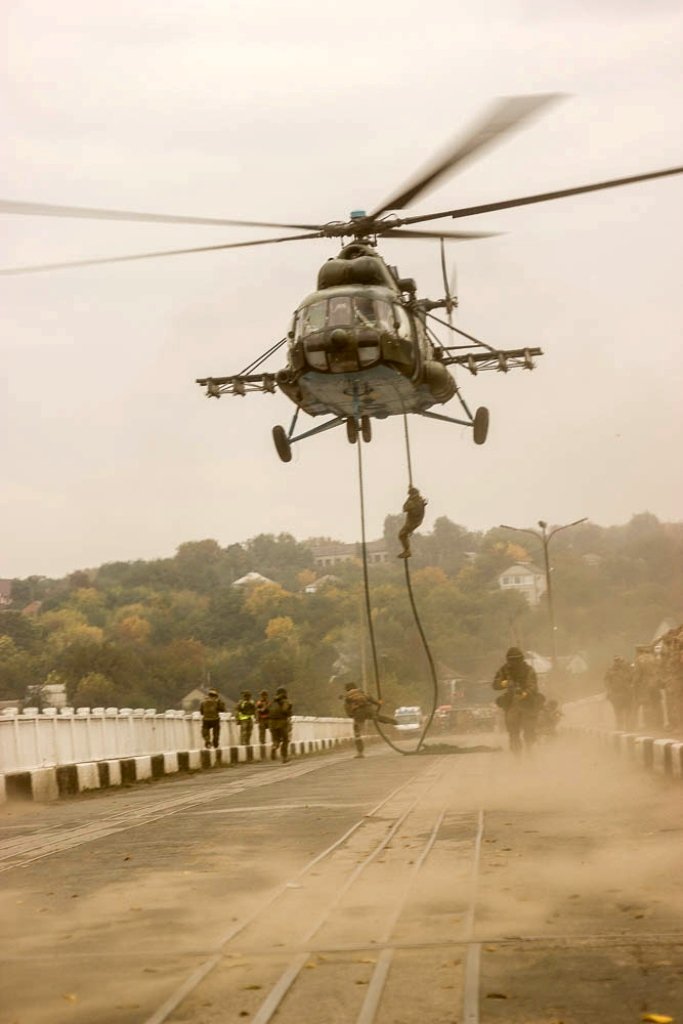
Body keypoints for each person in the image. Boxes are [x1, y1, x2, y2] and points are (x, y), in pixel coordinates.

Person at [492, 647, 543, 755]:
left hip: (528, 703)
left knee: (529, 731)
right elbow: (495, 684)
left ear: (521, 659)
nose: (514, 662)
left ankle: (530, 751)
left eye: (517, 659)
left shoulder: (528, 670)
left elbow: (533, 686)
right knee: (513, 732)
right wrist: (504, 683)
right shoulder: (504, 670)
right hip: (512, 703)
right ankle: (517, 755)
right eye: (512, 660)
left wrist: (525, 693)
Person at [343, 682, 398, 758]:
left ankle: (360, 753)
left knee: (357, 733)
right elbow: (371, 699)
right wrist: (378, 703)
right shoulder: (362, 692)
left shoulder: (348, 696)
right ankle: (394, 722)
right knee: (378, 717)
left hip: (359, 712)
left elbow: (347, 708)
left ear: (347, 689)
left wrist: (352, 715)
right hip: (369, 709)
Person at [604, 655, 635, 730]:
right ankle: (620, 726)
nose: (618, 662)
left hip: (626, 693)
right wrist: (609, 690)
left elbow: (633, 678)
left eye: (619, 661)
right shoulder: (610, 670)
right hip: (616, 693)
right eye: (616, 661)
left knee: (628, 710)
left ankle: (628, 726)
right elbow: (606, 681)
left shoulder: (627, 669)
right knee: (618, 711)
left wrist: (631, 686)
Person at [397, 486, 428, 559]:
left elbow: (404, 508)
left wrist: (409, 498)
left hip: (412, 522)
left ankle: (407, 551)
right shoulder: (420, 500)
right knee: (403, 534)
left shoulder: (413, 503)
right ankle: (407, 551)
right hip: (416, 521)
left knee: (402, 535)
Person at [268, 686, 293, 763]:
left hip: (271, 723)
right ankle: (284, 757)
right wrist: (289, 712)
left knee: (276, 740)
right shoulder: (285, 701)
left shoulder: (272, 702)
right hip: (282, 722)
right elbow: (285, 710)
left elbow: (267, 710)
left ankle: (274, 747)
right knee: (285, 740)